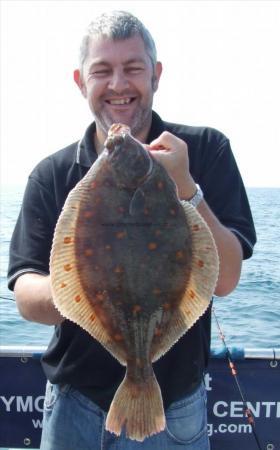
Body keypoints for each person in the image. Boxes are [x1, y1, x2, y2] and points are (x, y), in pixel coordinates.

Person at [8, 10, 256, 450]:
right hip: (74, 401)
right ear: (80, 82)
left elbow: (225, 279)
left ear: (156, 75)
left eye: (133, 68)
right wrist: (84, 292)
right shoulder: (52, 174)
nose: (119, 84)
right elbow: (25, 292)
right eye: (102, 71)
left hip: (174, 403)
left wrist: (186, 187)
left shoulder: (206, 150)